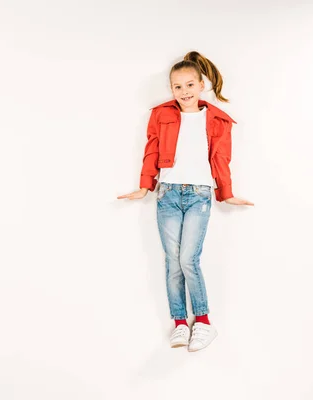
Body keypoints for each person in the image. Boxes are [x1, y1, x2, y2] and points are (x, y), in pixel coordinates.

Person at [117, 51, 254, 352]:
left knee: (188, 259)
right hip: (167, 193)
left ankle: (203, 322)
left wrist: (227, 193)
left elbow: (221, 158)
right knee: (172, 262)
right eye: (177, 87)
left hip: (199, 195)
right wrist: (144, 186)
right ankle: (180, 323)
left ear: (202, 84)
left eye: (190, 85)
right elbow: (151, 152)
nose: (184, 92)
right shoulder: (161, 115)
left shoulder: (217, 120)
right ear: (171, 89)